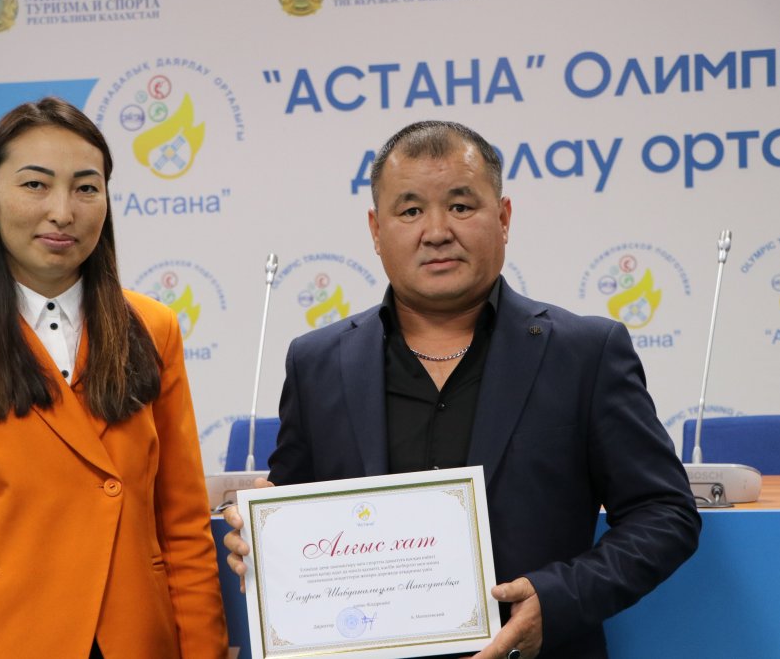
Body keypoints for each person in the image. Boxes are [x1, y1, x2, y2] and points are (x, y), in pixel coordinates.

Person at [223, 121, 700, 659]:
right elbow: (293, 513)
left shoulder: (585, 353)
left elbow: (665, 513)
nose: (436, 231)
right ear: (376, 230)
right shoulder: (318, 363)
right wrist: (260, 543)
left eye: (460, 206)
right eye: (410, 211)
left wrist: (558, 599)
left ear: (503, 218)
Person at [0, 97, 228, 658]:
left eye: (86, 188)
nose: (63, 211)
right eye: (35, 185)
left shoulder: (153, 328)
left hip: (130, 638)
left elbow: (183, 527)